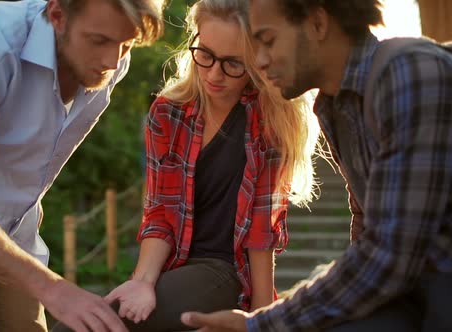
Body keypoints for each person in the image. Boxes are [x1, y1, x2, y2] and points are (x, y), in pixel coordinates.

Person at [181, 0, 452, 331]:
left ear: (318, 23)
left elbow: (388, 256)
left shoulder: (410, 74)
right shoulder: (336, 105)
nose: (261, 61)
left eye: (267, 40)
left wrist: (260, 324)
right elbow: (367, 231)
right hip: (423, 284)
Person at [0, 0, 164, 331]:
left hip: (13, 208)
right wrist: (54, 288)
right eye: (99, 41)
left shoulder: (110, 55)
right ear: (57, 15)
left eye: (128, 43)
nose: (113, 61)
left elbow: (44, 150)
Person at [101, 0, 319, 331]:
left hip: (226, 270)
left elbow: (262, 230)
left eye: (233, 63)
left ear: (256, 61)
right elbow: (160, 211)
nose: (214, 74)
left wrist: (260, 318)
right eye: (205, 54)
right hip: (171, 263)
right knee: (92, 320)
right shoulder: (168, 112)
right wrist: (142, 281)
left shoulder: (269, 119)